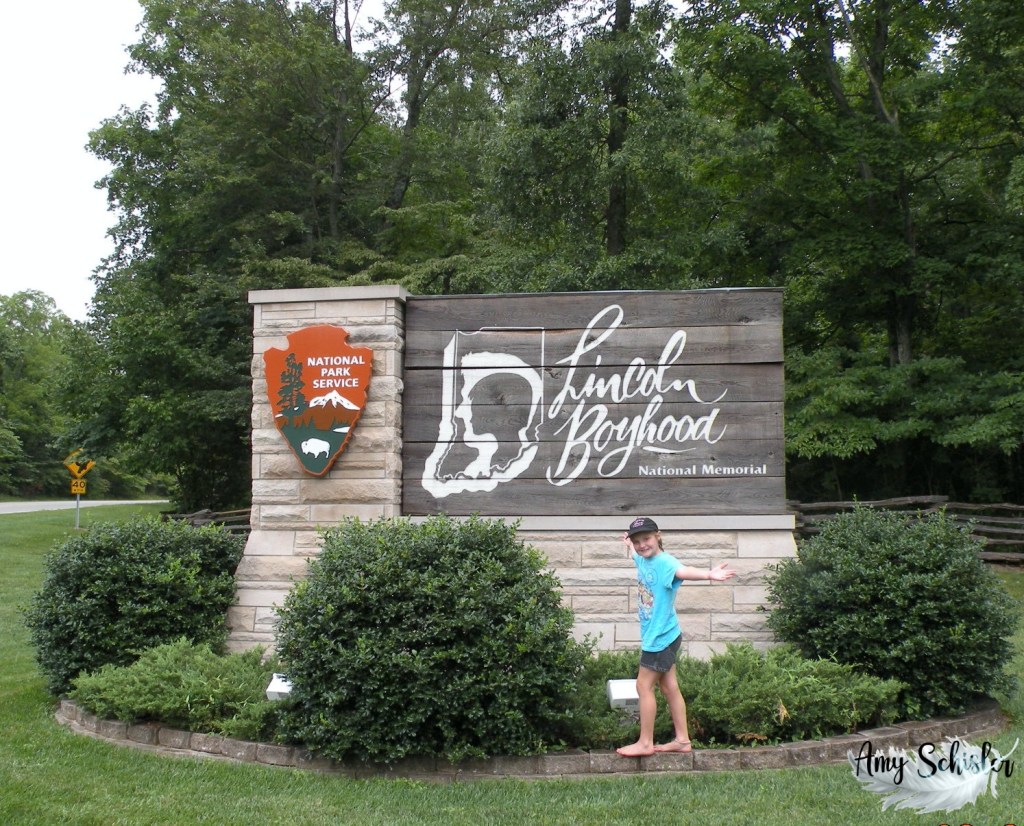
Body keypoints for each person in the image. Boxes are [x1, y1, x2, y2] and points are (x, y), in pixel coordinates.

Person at [616, 516, 737, 758]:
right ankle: (682, 740)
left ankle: (645, 743)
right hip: (666, 634)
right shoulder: (642, 558)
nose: (642, 544)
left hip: (660, 639)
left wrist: (708, 575)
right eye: (637, 541)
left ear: (658, 536)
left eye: (647, 539)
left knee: (643, 686)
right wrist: (629, 547)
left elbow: (684, 571)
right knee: (669, 687)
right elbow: (637, 558)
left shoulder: (666, 563)